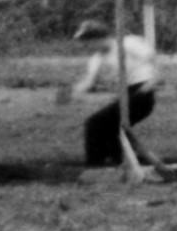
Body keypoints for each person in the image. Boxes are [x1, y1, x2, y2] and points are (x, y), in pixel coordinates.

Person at [58, 20, 162, 167]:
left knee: (94, 124)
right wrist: (72, 92)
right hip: (127, 94)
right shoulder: (97, 59)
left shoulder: (127, 44)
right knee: (110, 127)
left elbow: (152, 60)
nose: (87, 46)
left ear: (99, 37)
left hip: (142, 93)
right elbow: (88, 83)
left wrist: (152, 82)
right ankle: (117, 162)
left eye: (88, 42)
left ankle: (95, 166)